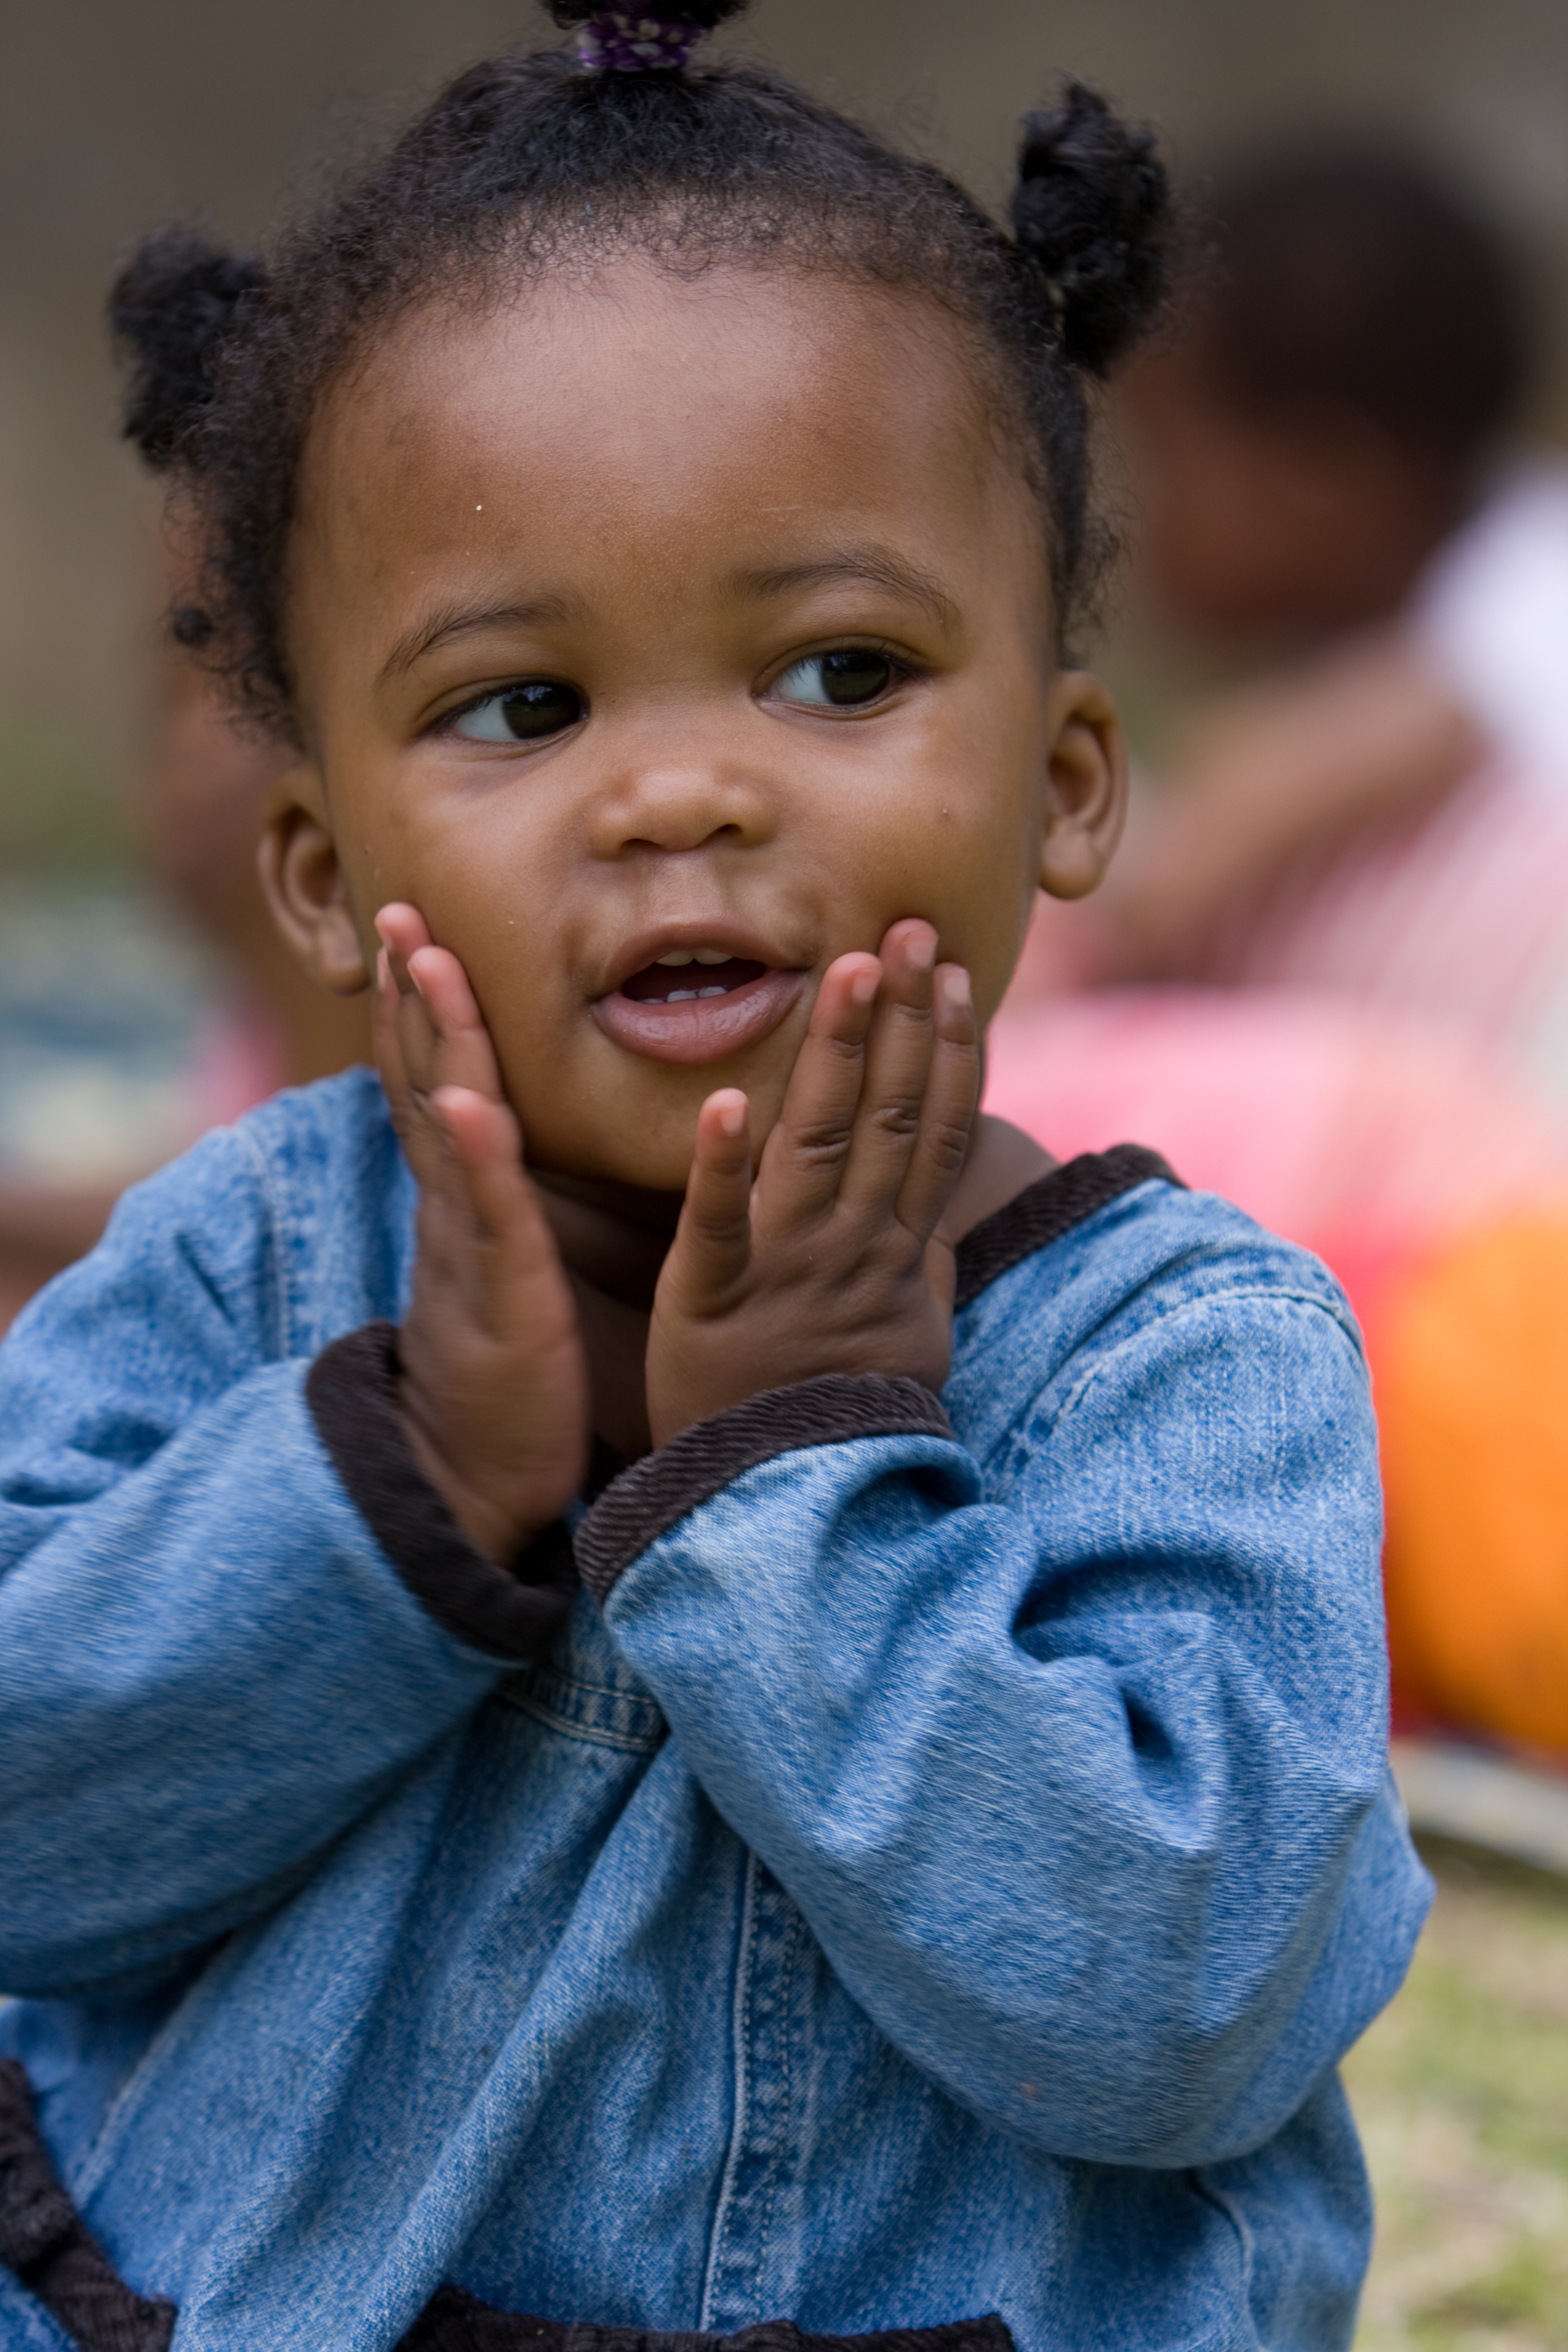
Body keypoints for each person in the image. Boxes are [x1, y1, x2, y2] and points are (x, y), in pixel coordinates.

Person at [0, 11, 1428, 2349]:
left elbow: (1187, 2012)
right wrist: (394, 1494)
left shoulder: (1189, 1359)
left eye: (839, 671)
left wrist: (802, 1483)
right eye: (526, 709)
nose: (681, 797)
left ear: (1071, 783)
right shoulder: (253, 1255)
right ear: (320, 861)